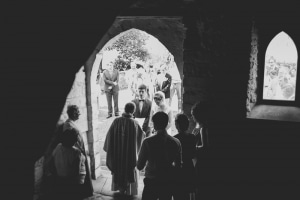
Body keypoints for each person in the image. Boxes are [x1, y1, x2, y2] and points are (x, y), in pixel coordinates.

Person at [137, 111, 182, 200]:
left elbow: (139, 166)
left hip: (151, 181)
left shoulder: (147, 142)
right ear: (166, 124)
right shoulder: (176, 142)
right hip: (167, 181)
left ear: (155, 124)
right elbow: (178, 166)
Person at [103, 102, 145, 196]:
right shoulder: (134, 123)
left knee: (118, 168)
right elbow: (141, 137)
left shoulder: (116, 121)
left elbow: (109, 136)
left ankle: (119, 189)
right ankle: (129, 191)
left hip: (117, 154)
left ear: (125, 109)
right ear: (133, 111)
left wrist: (110, 149)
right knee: (129, 168)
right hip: (130, 155)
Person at [62, 104, 94, 198]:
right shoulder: (68, 125)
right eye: (78, 112)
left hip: (80, 150)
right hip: (76, 151)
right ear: (73, 113)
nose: (79, 114)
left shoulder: (72, 123)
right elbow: (70, 139)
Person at [49, 128, 86, 200]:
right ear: (73, 140)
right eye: (76, 138)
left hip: (60, 180)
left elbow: (52, 163)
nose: (76, 140)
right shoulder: (76, 152)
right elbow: (76, 172)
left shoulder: (58, 146)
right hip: (71, 182)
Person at [173, 114, 197, 200]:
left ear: (177, 125)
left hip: (178, 168)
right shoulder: (192, 137)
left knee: (178, 194)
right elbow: (194, 154)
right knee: (188, 193)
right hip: (189, 167)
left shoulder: (175, 139)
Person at [191, 101, 210, 200]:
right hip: (204, 161)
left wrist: (194, 148)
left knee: (200, 185)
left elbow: (205, 147)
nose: (192, 118)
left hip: (202, 161)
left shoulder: (203, 128)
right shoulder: (203, 127)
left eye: (193, 115)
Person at [102, 50, 120, 118]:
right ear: (107, 65)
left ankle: (116, 112)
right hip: (107, 89)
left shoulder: (116, 71)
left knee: (116, 101)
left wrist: (113, 85)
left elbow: (117, 80)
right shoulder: (105, 72)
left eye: (111, 65)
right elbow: (105, 80)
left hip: (115, 88)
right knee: (109, 102)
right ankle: (109, 113)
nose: (110, 66)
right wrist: (112, 83)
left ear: (113, 65)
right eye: (109, 65)